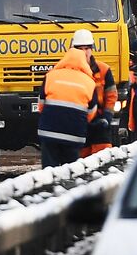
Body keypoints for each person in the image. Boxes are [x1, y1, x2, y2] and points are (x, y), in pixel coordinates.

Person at [38, 39, 100, 167]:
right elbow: (91, 112)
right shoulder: (89, 82)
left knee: (49, 172)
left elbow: (41, 105)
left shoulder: (51, 76)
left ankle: (51, 187)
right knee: (70, 171)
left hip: (49, 132)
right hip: (74, 134)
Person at [79, 30, 119, 158]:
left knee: (103, 161)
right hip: (80, 121)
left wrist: (107, 116)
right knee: (80, 165)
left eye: (87, 48)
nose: (85, 52)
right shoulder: (71, 71)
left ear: (92, 49)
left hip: (100, 122)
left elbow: (111, 94)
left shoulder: (103, 69)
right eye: (80, 49)